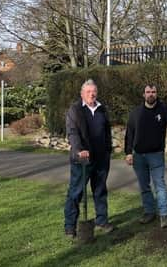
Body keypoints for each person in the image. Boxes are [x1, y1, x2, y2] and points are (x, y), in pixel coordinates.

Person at [125, 84, 167, 228]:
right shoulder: (136, 113)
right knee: (144, 186)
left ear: (156, 94)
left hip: (156, 155)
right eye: (148, 92)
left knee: (160, 186)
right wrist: (128, 152)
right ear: (143, 94)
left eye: (153, 92)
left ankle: (164, 215)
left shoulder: (163, 109)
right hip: (139, 156)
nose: (151, 94)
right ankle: (149, 212)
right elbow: (129, 134)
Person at [64, 79, 114, 238]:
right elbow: (72, 132)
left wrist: (108, 149)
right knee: (76, 192)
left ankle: (102, 220)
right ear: (82, 94)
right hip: (82, 160)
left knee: (100, 191)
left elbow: (107, 131)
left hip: (101, 159)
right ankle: (70, 226)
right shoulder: (75, 110)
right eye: (88, 92)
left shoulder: (102, 109)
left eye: (94, 92)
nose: (92, 94)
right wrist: (79, 149)